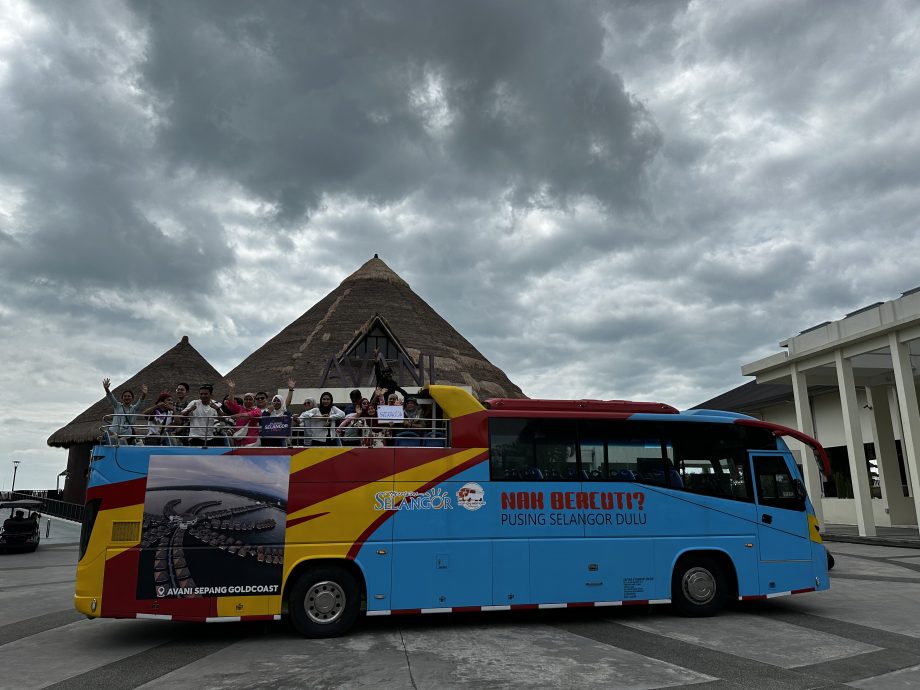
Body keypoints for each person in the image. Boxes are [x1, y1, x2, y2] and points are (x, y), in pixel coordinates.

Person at [103, 378, 148, 443]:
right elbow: (111, 397)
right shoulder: (117, 406)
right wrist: (106, 389)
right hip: (114, 432)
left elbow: (140, 402)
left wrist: (144, 394)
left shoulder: (134, 409)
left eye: (129, 396)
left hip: (127, 435)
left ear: (132, 398)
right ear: (122, 398)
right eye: (125, 396)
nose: (127, 397)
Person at [223, 380, 264, 446]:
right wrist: (232, 389)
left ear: (253, 401)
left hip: (252, 440)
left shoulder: (257, 410)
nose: (248, 401)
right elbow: (231, 402)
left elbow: (249, 415)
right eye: (246, 399)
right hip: (239, 440)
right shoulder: (240, 408)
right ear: (244, 401)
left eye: (250, 399)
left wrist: (238, 415)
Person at [260, 381, 296, 447]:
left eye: (278, 401)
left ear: (282, 402)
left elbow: (289, 421)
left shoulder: (285, 412)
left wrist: (286, 418)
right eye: (274, 400)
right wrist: (269, 412)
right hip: (267, 440)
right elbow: (262, 420)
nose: (276, 402)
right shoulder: (267, 411)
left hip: (280, 440)